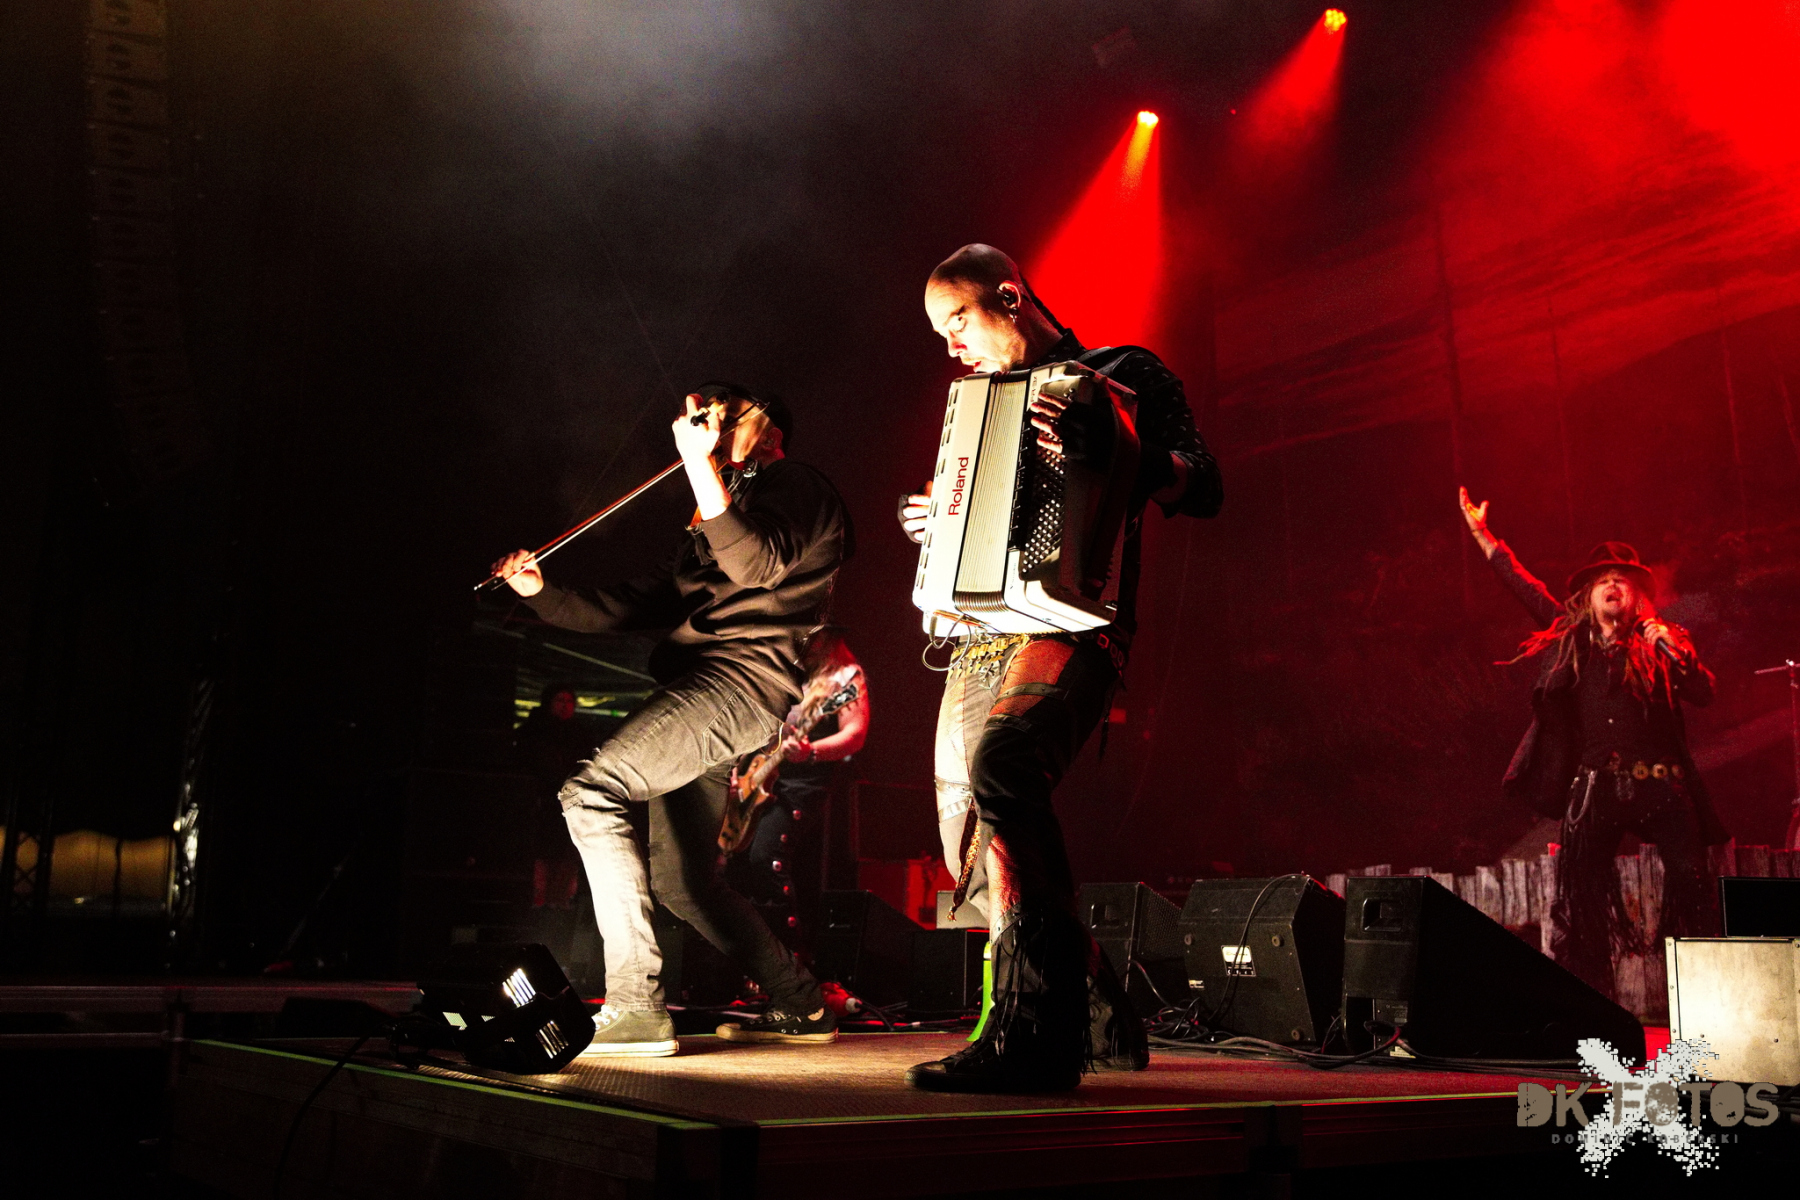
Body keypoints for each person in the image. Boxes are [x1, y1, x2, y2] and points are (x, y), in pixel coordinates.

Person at [897, 244, 1224, 1091]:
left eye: (958, 320)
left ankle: (1031, 1035)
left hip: (1075, 623)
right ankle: (1099, 1008)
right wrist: (934, 519)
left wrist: (1122, 445)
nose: (950, 345)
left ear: (1010, 296)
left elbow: (1205, 485)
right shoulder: (974, 403)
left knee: (1005, 770)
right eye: (939, 332)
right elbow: (972, 512)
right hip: (978, 633)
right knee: (971, 849)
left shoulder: (1122, 374)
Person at [493, 383, 853, 1055]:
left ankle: (635, 1004)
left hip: (741, 681)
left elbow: (755, 563)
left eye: (718, 412)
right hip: (707, 688)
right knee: (684, 884)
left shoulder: (797, 485)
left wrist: (698, 465)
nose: (703, 422)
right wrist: (543, 593)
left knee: (590, 791)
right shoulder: (715, 509)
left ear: (768, 426)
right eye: (696, 416)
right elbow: (635, 604)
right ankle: (802, 1003)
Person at [1460, 487, 1726, 999]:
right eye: (1603, 580)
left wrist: (1672, 649)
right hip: (1594, 790)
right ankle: (1590, 1006)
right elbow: (1525, 588)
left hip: (1659, 784)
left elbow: (1704, 692)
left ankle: (1705, 1001)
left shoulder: (1662, 640)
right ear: (1589, 596)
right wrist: (1484, 537)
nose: (1611, 585)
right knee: (1579, 898)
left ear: (1636, 595)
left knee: (1692, 881)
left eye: (1621, 580)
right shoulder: (1572, 638)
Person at [733, 628, 869, 959]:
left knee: (767, 859)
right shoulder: (788, 669)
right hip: (761, 778)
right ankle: (753, 960)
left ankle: (790, 957)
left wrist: (811, 751)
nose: (804, 640)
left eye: (813, 635)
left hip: (802, 783)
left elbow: (855, 733)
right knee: (739, 866)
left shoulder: (845, 677)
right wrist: (736, 769)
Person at [513, 682, 596, 910]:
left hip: (570, 804)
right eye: (560, 700)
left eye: (569, 701)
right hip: (541, 804)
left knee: (567, 854)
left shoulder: (580, 734)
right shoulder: (533, 732)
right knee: (541, 853)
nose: (565, 706)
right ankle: (538, 902)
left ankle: (561, 904)